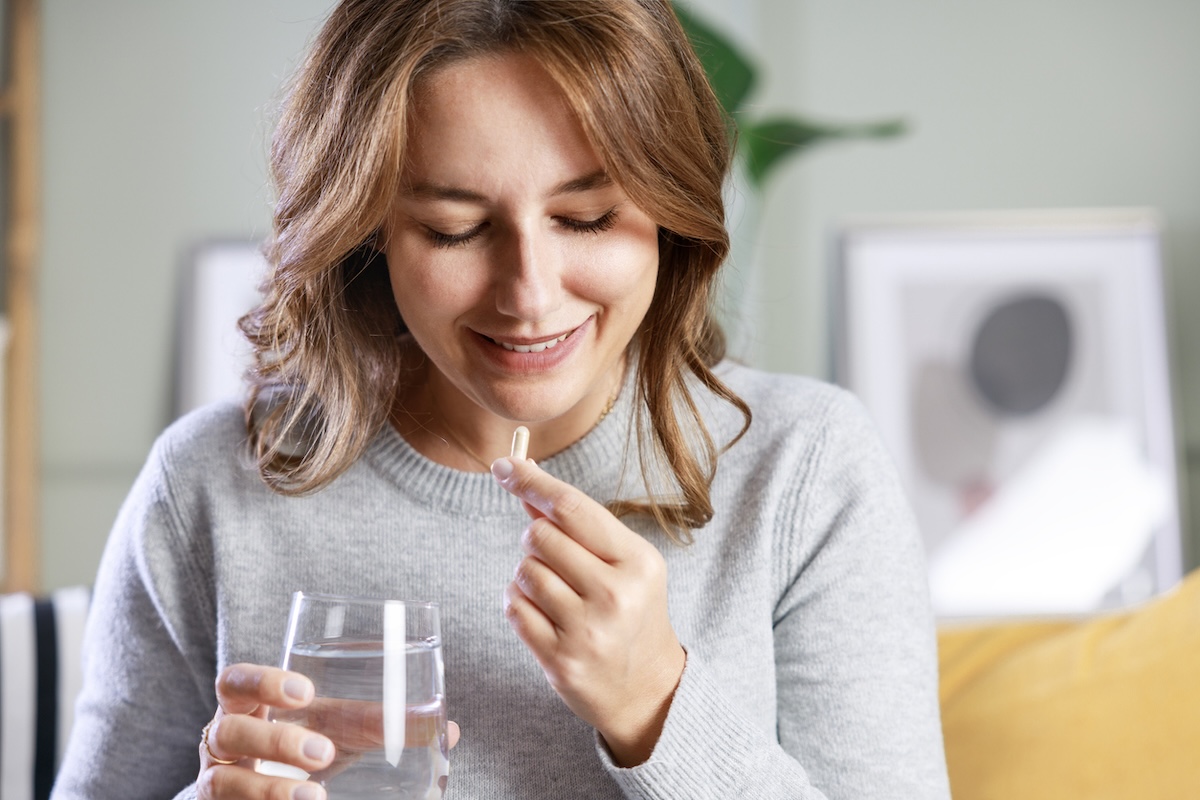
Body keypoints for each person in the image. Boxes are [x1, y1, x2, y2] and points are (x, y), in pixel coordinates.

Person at [52, 1, 950, 798]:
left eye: (587, 219)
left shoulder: (805, 469)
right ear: (367, 232)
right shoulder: (209, 491)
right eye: (455, 229)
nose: (528, 293)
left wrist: (654, 704)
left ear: (672, 213)